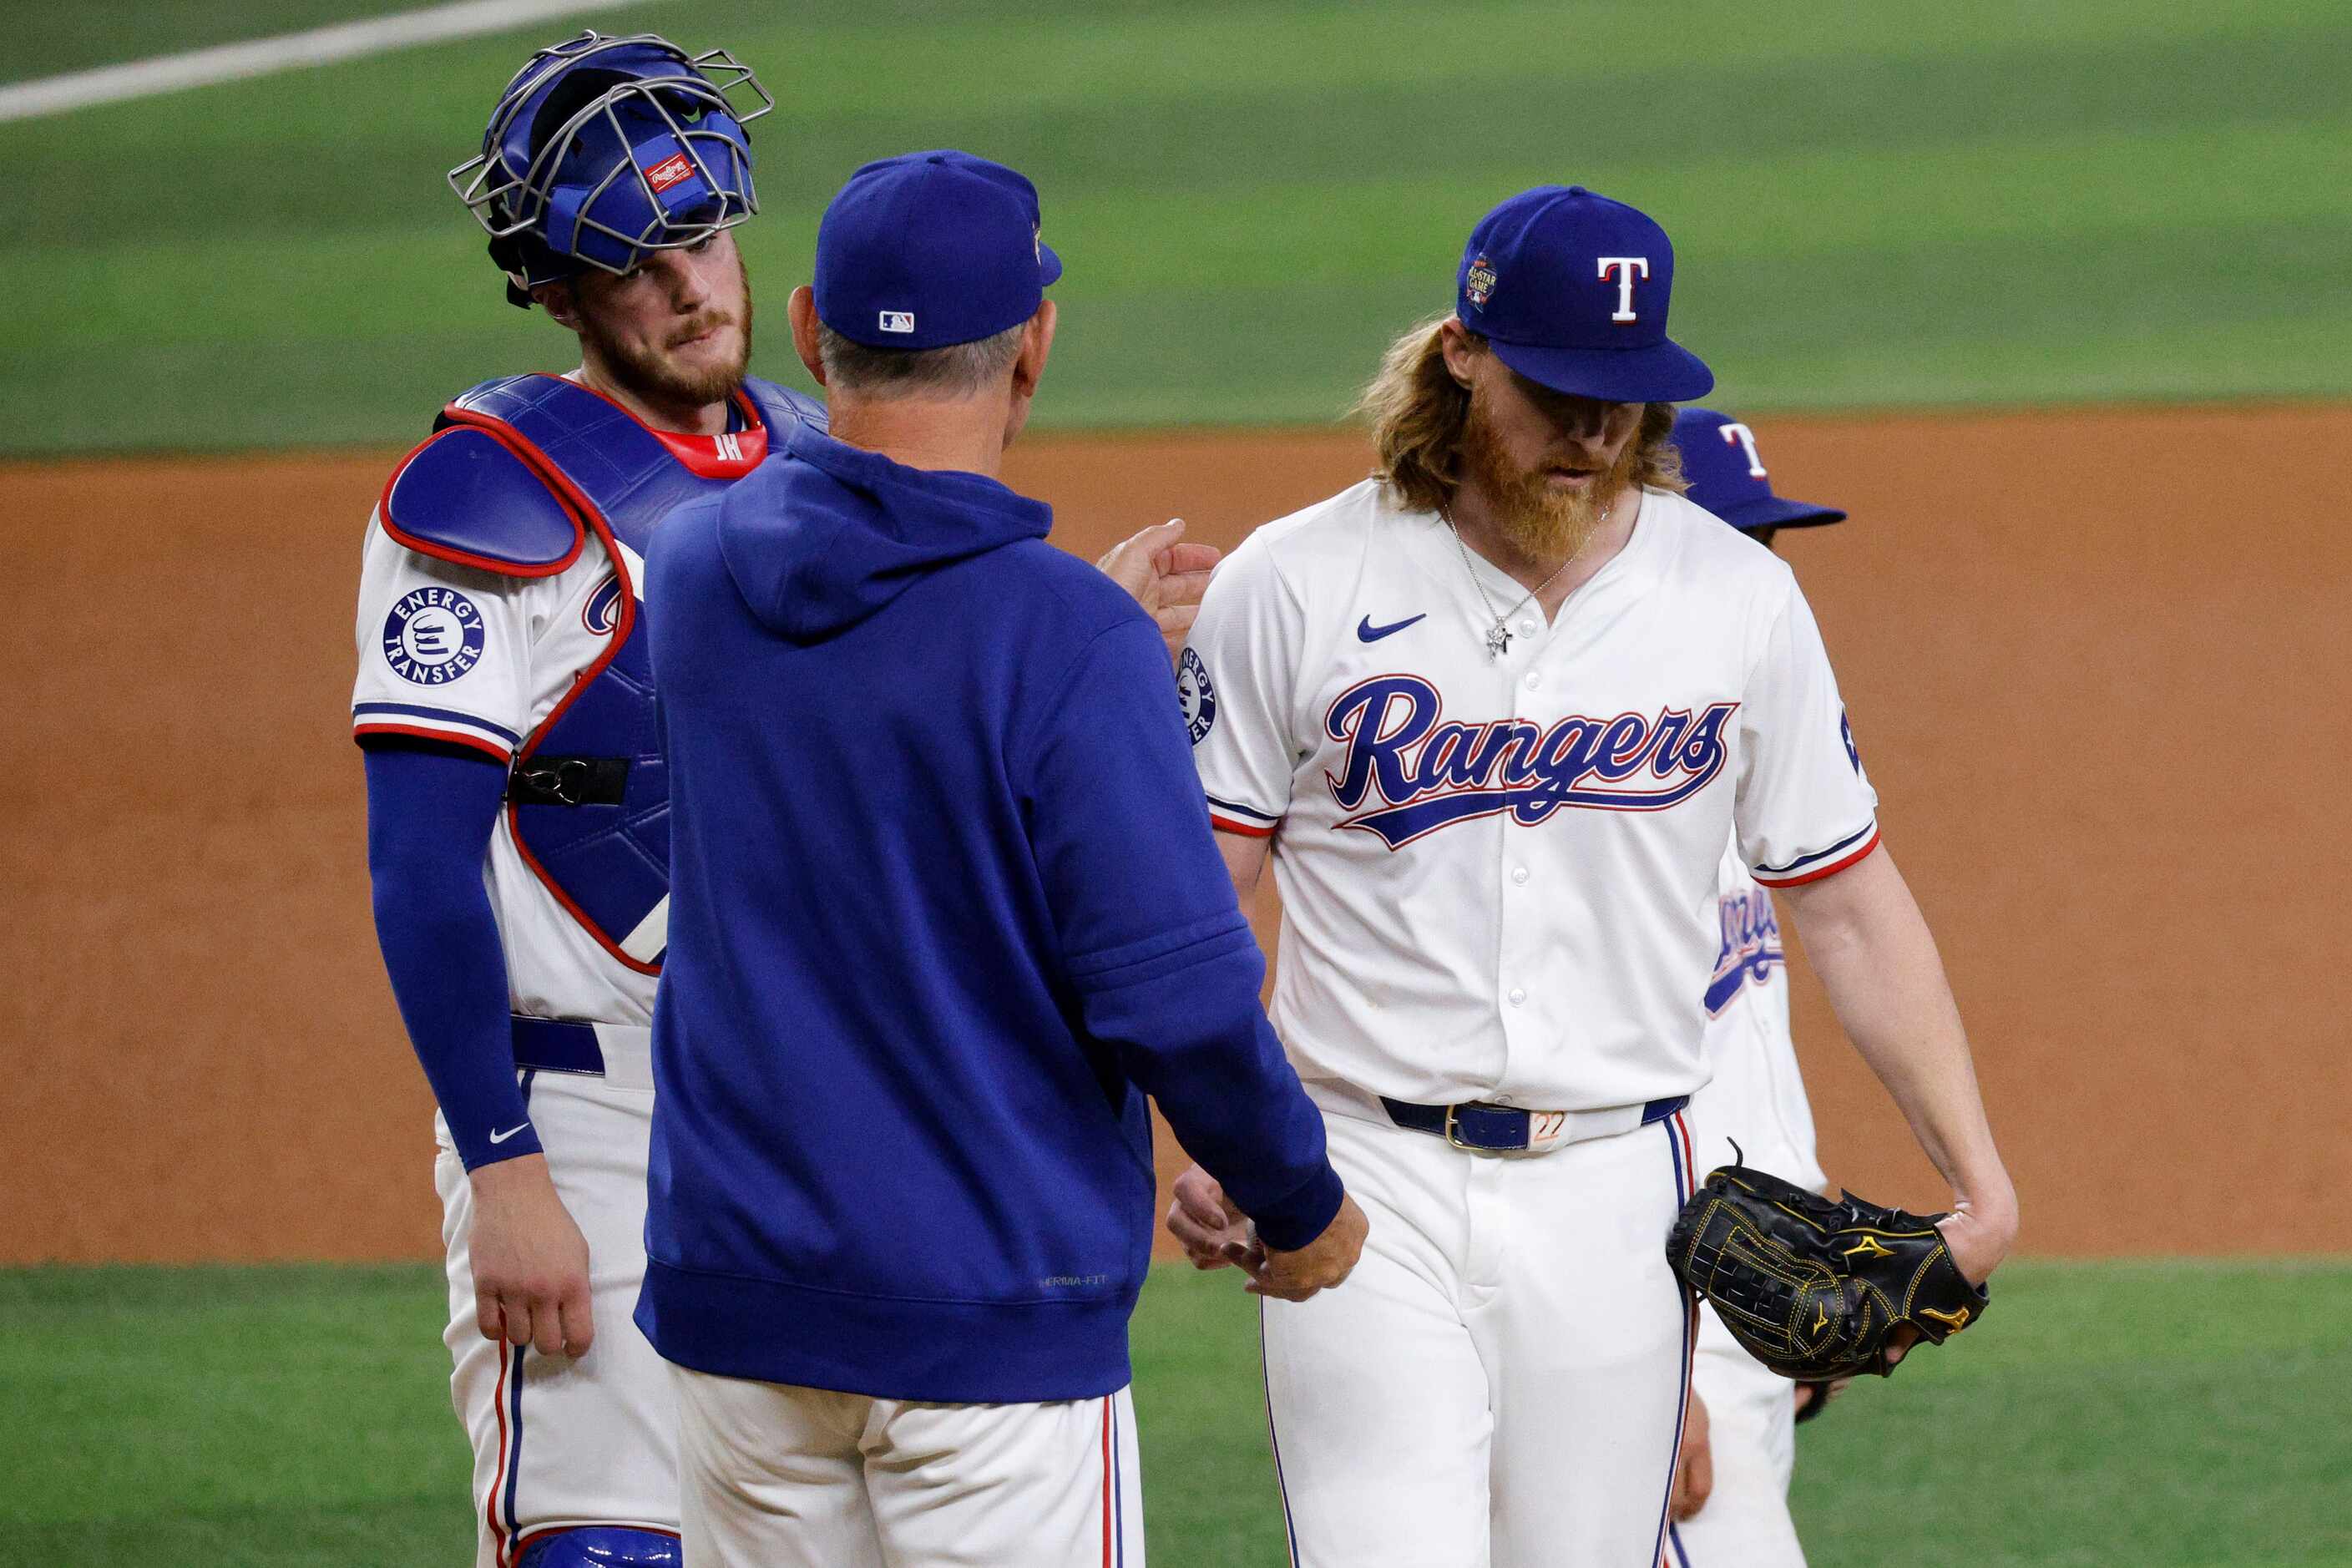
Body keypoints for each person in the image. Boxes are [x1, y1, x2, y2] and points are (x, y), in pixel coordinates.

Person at [355, 40, 1213, 1566]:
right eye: (633, 262)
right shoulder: (483, 502)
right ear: (555, 290)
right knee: (603, 1545)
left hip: (774, 1108)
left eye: (703, 238)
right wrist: (503, 1168)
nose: (691, 290)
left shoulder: (813, 449)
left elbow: (907, 715)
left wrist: (1082, 630)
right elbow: (422, 873)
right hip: (586, 1102)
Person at [1164, 185, 2018, 1567]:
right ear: (1462, 354)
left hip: (1624, 1192)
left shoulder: (1732, 595)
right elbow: (1208, 895)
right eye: (1558, 391)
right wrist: (1216, 1131)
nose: (1594, 433)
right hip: (1362, 1180)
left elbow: (1846, 899)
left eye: (1623, 399)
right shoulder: (1296, 580)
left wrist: (1980, 1180)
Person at [635, 149, 1368, 1568]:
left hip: (739, 1309)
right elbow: (1177, 998)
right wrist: (1300, 1200)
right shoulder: (1059, 644)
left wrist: (1066, 630)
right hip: (987, 1321)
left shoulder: (697, 572)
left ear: (802, 330)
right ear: (1035, 343)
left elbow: (871, 701)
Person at [1659, 407, 1853, 1568]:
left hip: (1750, 1300)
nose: (1762, 585)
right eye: (1733, 553)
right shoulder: (1599, 810)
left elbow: (1735, 1041)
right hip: (1657, 1324)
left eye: (1767, 551)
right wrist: (1652, 1364)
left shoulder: (1737, 764)